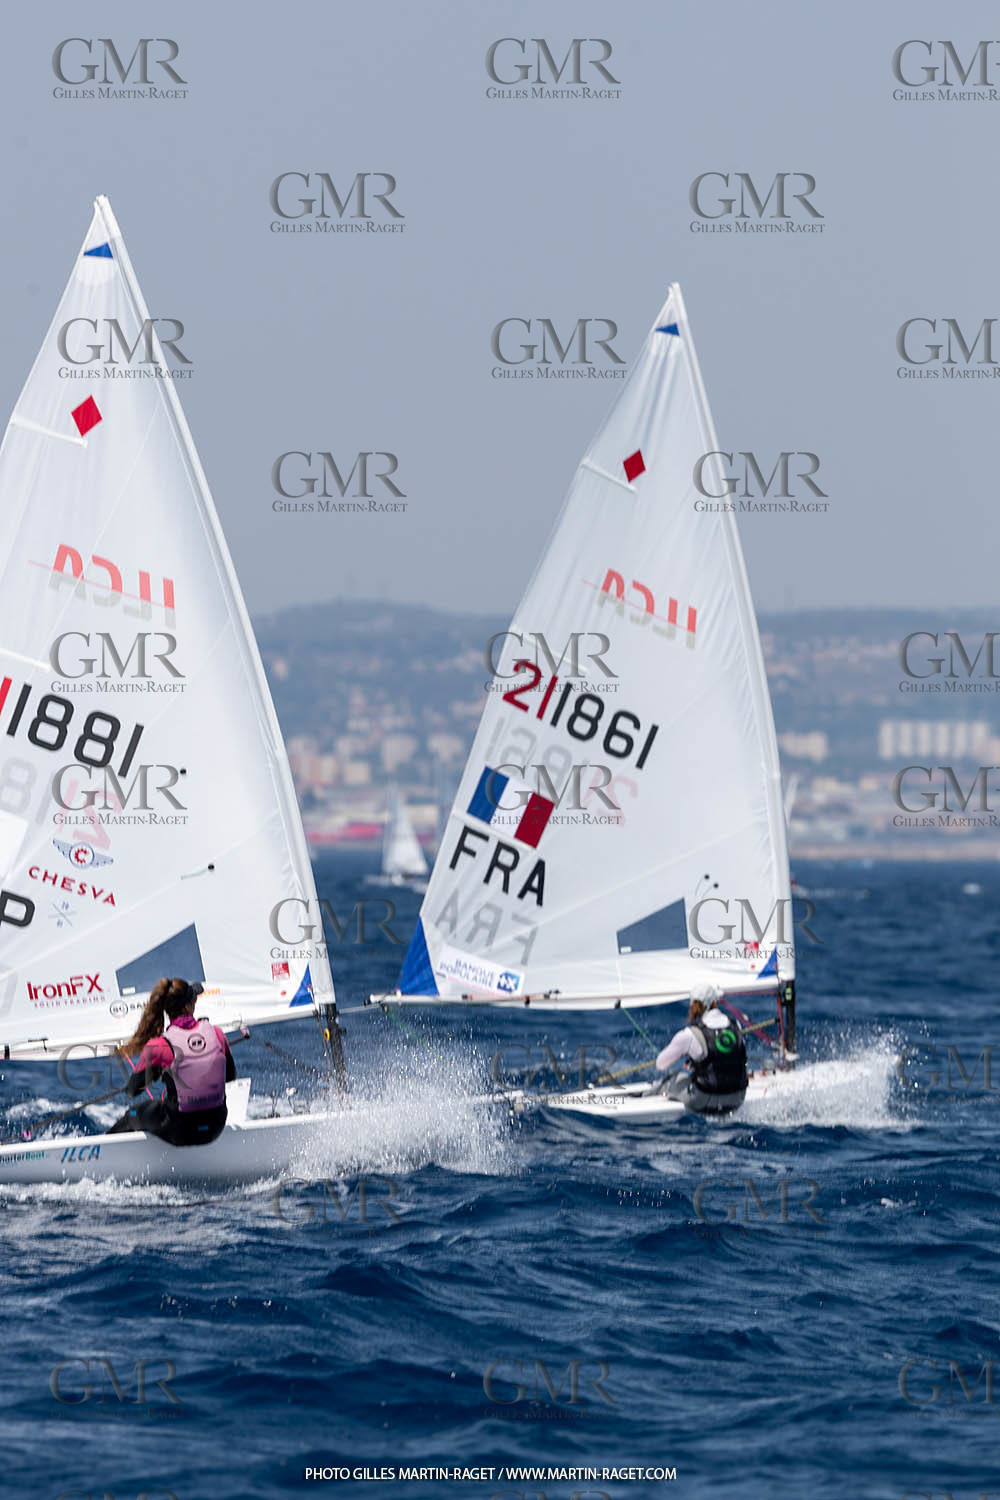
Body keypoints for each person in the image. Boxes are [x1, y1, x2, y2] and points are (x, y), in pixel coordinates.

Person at [107, 976, 236, 1145]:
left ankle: (103, 1148)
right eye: (194, 999)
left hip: (180, 1131)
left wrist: (157, 1071)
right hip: (216, 1125)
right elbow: (230, 1076)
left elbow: (132, 1091)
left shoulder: (159, 1046)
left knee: (133, 1114)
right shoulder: (217, 1034)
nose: (195, 1003)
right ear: (188, 1006)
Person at [652, 991, 748, 1116]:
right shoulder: (736, 1026)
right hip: (738, 1098)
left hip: (705, 1100)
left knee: (673, 1079)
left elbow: (660, 1064)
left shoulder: (689, 1034)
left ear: (692, 1005)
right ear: (715, 1003)